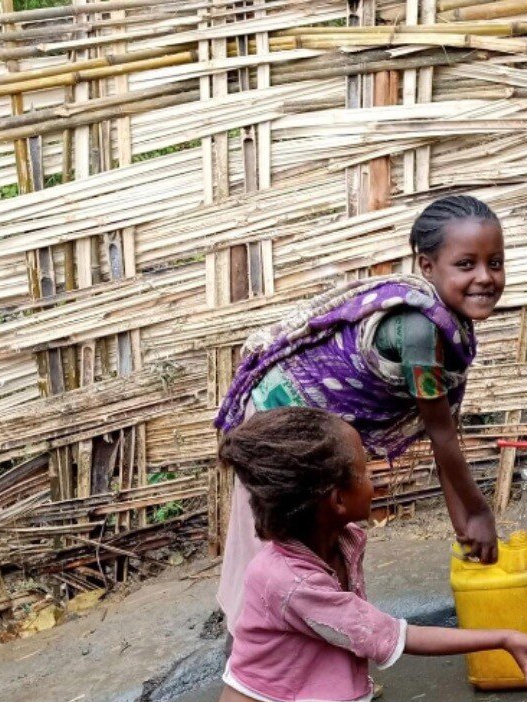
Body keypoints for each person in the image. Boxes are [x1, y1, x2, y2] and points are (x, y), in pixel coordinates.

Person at [210, 408, 527, 702]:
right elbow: (394, 636)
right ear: (335, 499)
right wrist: (504, 637)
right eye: (366, 469)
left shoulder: (344, 540)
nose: (378, 476)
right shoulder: (289, 581)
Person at [214, 194, 506, 637]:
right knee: (287, 544)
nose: (485, 277)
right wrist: (479, 515)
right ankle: (262, 650)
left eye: (495, 263)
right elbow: (442, 437)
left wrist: (464, 529)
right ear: (427, 267)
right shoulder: (419, 332)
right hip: (281, 414)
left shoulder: (448, 327)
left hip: (316, 422)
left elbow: (444, 438)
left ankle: (319, 648)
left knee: (328, 534)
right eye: (466, 264)